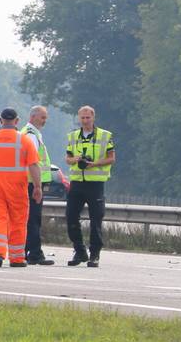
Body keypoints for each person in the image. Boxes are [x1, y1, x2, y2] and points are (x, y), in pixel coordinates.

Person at [0, 108, 42, 268]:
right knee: (18, 221)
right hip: (17, 186)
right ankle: (17, 258)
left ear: (1, 120)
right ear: (17, 121)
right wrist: (37, 186)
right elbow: (33, 165)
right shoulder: (24, 140)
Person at [64, 106, 115, 267]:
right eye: (82, 118)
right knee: (71, 216)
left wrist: (94, 164)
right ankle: (79, 251)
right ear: (79, 118)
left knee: (96, 219)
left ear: (93, 118)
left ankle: (95, 254)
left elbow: (111, 158)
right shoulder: (73, 136)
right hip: (77, 182)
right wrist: (76, 159)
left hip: (95, 183)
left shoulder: (105, 135)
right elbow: (68, 158)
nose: (85, 121)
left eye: (88, 118)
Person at [20, 105, 54, 265]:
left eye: (45, 117)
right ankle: (35, 253)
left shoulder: (29, 133)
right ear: (32, 117)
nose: (44, 120)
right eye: (42, 117)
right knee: (34, 219)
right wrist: (38, 186)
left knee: (29, 219)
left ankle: (25, 251)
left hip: (29, 182)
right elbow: (32, 162)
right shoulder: (31, 135)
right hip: (31, 183)